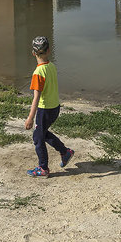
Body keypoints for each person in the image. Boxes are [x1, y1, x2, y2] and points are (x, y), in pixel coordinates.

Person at [23, 35, 74, 177]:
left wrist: (30, 118)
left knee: (38, 138)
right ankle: (65, 152)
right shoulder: (51, 66)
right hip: (55, 108)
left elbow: (36, 98)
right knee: (42, 133)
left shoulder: (38, 73)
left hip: (44, 110)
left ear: (33, 53)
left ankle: (43, 168)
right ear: (49, 50)